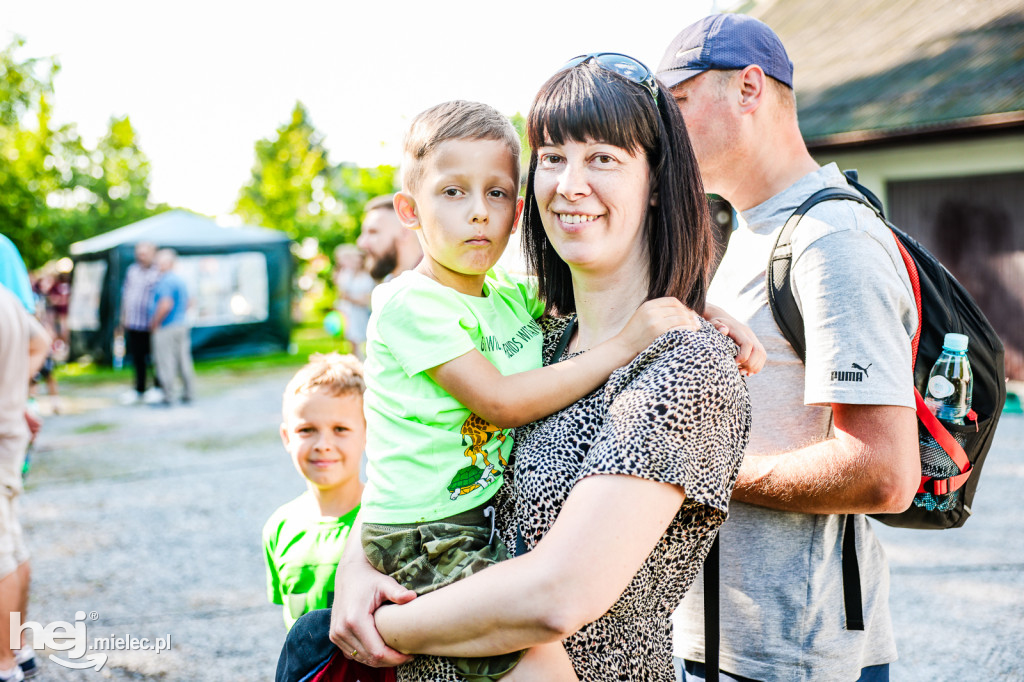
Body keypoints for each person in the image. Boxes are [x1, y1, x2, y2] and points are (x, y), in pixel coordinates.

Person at [307, 55, 755, 682]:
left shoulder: (683, 368)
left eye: (603, 157)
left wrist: (373, 628)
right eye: (552, 156)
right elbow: (427, 467)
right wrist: (357, 563)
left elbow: (555, 599)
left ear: (656, 182)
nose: (570, 184)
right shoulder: (534, 338)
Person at [657, 14, 920, 682]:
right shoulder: (747, 232)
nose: (663, 128)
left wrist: (695, 473)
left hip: (797, 660)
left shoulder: (830, 239)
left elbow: (885, 473)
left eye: (678, 102)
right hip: (724, 645)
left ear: (749, 89)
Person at [264, 352, 366, 630]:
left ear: (368, 432)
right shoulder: (279, 527)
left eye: (340, 429)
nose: (323, 444)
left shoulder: (385, 520)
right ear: (287, 437)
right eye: (307, 430)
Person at [0, 283, 52, 682]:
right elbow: (41, 342)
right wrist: (15, 394)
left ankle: (4, 663)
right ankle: (18, 649)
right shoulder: (4, 295)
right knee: (12, 545)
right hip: (10, 433)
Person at [149, 249, 196, 406]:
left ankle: (168, 395)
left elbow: (165, 304)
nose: (157, 265)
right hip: (181, 324)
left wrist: (155, 322)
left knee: (165, 361)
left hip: (167, 326)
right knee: (184, 360)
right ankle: (188, 393)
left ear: (167, 263)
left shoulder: (165, 281)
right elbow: (190, 302)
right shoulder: (180, 280)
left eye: (159, 262)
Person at [118, 241, 162, 405]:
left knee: (155, 357)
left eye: (144, 253)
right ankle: (139, 388)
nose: (141, 256)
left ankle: (158, 387)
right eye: (139, 253)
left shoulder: (158, 272)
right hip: (134, 323)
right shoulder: (132, 270)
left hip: (151, 324)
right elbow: (126, 294)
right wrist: (124, 317)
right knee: (137, 358)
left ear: (152, 253)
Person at [356, 194, 423, 282]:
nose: (361, 243)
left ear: (404, 233)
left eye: (373, 232)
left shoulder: (434, 286)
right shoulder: (391, 283)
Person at [331, 245, 375, 359]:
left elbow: (366, 299)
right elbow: (341, 291)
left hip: (363, 313)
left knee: (365, 339)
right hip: (349, 312)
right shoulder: (347, 275)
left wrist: (350, 298)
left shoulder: (367, 277)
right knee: (352, 340)